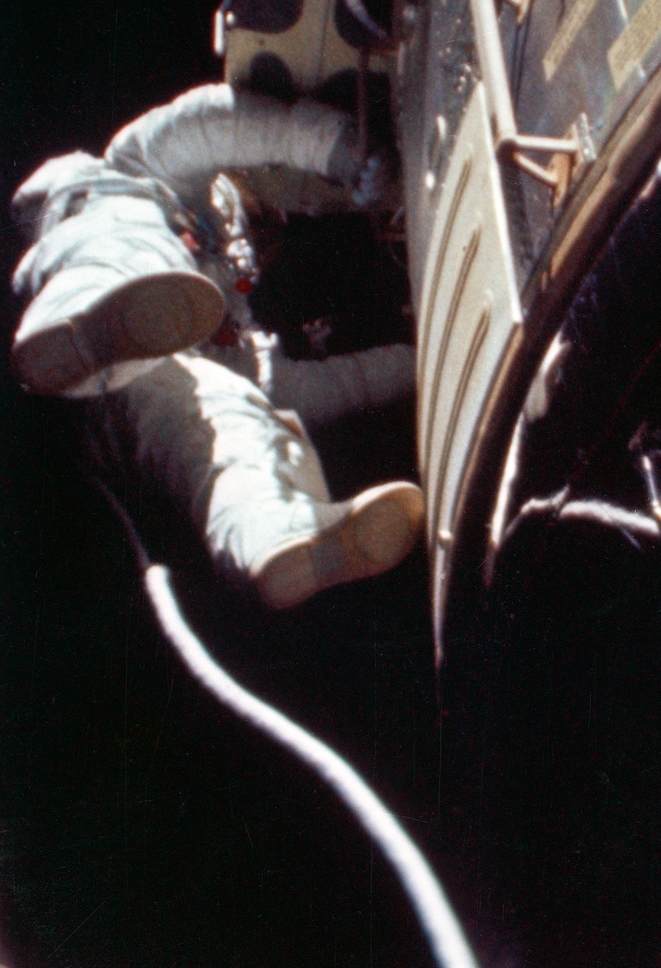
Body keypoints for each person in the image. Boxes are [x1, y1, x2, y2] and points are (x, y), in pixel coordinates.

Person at [9, 82, 424, 609]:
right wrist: (341, 148)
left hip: (138, 396)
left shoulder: (236, 333)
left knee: (228, 426)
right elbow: (219, 122)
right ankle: (85, 323)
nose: (273, 228)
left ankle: (276, 532)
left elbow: (333, 386)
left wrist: (420, 367)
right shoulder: (140, 169)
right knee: (133, 243)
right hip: (101, 251)